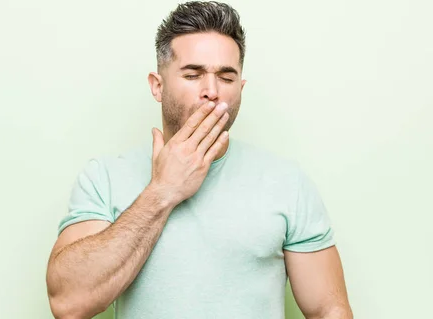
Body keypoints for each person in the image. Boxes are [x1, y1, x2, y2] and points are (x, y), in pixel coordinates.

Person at [46, 1, 352, 318]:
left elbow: (328, 309)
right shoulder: (104, 178)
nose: (211, 90)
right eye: (193, 75)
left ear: (241, 88)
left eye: (226, 77)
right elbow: (68, 303)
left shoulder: (288, 183)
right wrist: (163, 190)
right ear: (157, 86)